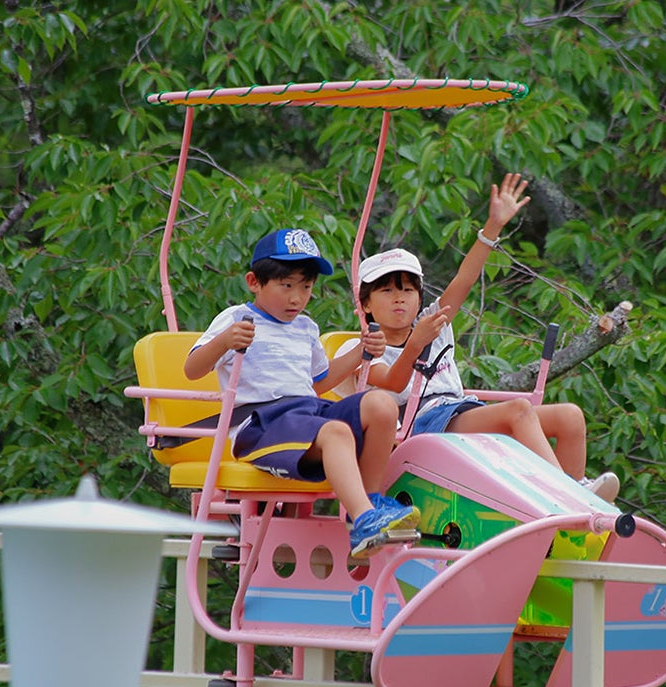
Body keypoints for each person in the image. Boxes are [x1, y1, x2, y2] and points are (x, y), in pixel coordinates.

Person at [337, 173, 620, 501]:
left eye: (407, 290)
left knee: (569, 416)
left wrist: (493, 227)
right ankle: (569, 498)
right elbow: (394, 384)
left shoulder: (433, 320)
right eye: (386, 291)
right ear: (366, 304)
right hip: (420, 426)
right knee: (518, 410)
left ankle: (575, 514)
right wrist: (416, 344)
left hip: (458, 412)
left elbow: (464, 280)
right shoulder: (364, 348)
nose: (398, 298)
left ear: (418, 296)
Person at [183, 228, 419, 558]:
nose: (297, 297)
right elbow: (192, 369)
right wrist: (225, 341)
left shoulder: (306, 327)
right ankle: (367, 518)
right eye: (287, 286)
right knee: (335, 432)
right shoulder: (237, 318)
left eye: (306, 287)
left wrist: (361, 353)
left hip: (307, 411)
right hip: (262, 422)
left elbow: (318, 382)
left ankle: (366, 506)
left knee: (381, 404)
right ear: (254, 282)